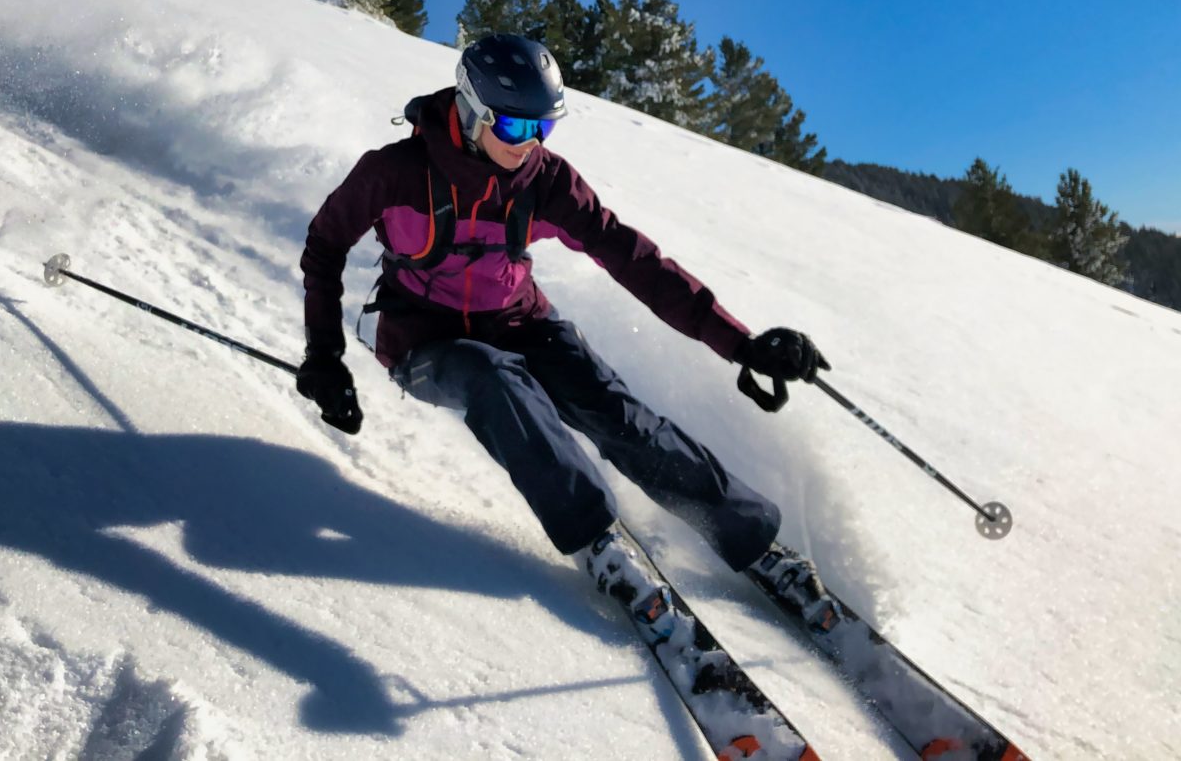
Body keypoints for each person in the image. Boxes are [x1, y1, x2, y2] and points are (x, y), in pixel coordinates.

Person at [292, 32, 829, 583]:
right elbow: (325, 247)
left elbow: (633, 259)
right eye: (515, 125)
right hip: (424, 339)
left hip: (520, 321)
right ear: (472, 108)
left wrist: (739, 342)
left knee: (617, 413)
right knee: (496, 381)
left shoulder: (545, 182)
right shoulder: (395, 173)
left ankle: (751, 537)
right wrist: (324, 354)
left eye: (543, 126)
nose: (529, 142)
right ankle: (597, 538)